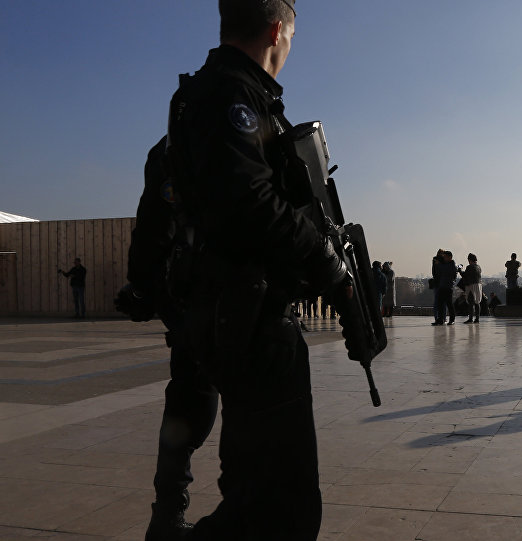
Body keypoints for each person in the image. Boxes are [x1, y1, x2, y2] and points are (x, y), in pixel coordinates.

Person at [155, 1, 354, 538]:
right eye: (292, 36)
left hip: (225, 313)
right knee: (282, 510)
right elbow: (253, 205)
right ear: (276, 30)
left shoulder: (205, 98)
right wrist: (334, 273)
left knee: (255, 495)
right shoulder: (232, 98)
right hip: (252, 319)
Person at [115, 138, 221, 541]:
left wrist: (142, 288)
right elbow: (156, 225)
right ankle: (171, 515)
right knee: (196, 408)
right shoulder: (187, 139)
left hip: (208, 299)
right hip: (207, 298)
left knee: (195, 407)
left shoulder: (177, 137)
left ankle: (171, 515)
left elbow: (152, 227)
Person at [433, 251, 457, 325]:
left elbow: (445, 270)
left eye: (445, 257)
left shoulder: (452, 265)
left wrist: (438, 264)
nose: (444, 258)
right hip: (442, 286)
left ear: (450, 257)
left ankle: (452, 319)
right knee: (440, 304)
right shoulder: (445, 264)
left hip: (448, 287)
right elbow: (438, 272)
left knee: (449, 304)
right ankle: (440, 319)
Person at [460, 253, 483, 323]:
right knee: (477, 302)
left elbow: (465, 275)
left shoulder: (469, 267)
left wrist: (460, 270)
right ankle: (477, 318)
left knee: (471, 302)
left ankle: (470, 318)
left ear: (470, 259)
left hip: (471, 286)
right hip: (478, 285)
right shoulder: (479, 267)